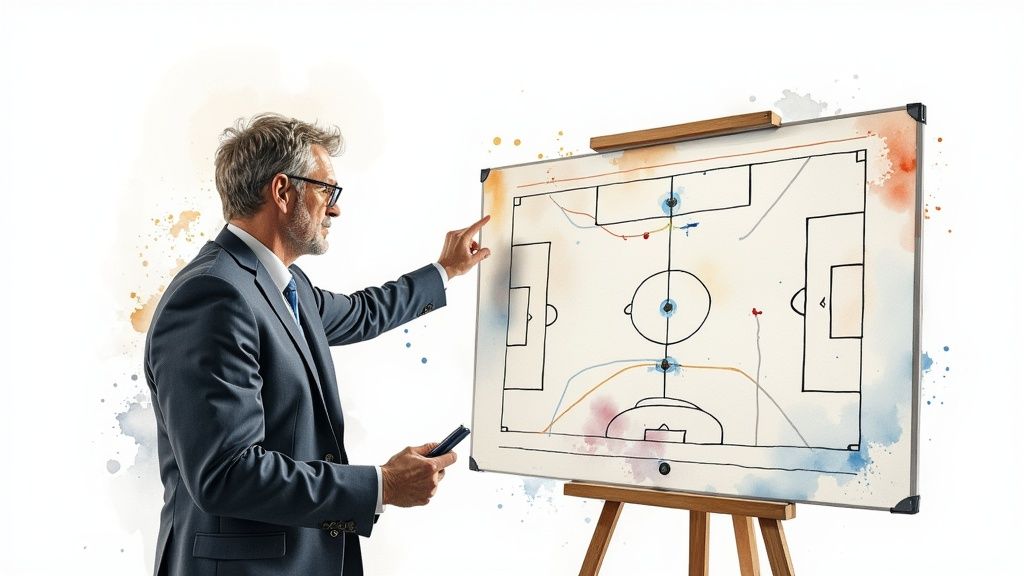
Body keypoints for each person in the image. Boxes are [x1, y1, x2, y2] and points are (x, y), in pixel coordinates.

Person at [143, 113, 490, 576]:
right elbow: (226, 474)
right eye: (326, 190)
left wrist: (444, 270)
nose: (335, 208)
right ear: (283, 191)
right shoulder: (213, 297)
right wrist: (381, 486)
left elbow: (362, 312)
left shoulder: (286, 286)